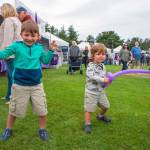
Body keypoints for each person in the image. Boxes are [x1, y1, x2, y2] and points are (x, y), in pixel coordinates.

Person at [0, 20, 56, 141]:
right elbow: (3, 54)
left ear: (38, 36)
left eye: (33, 35)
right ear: (21, 34)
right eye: (26, 35)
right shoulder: (16, 46)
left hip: (37, 86)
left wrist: (51, 51)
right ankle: (8, 129)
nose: (30, 38)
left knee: (42, 110)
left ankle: (42, 130)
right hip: (19, 86)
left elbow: (45, 61)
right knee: (14, 110)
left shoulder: (39, 48)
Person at [84, 43, 111, 134]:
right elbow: (91, 76)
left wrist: (107, 80)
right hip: (91, 92)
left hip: (100, 91)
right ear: (93, 55)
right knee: (89, 109)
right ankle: (87, 124)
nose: (101, 56)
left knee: (106, 106)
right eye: (98, 54)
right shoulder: (90, 65)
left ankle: (100, 116)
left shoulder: (103, 66)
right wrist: (103, 79)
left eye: (103, 54)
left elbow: (103, 77)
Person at [0, 3, 22, 104]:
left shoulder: (9, 20)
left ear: (6, 10)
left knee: (13, 76)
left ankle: (14, 98)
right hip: (16, 52)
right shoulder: (16, 20)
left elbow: (7, 39)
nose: (1, 12)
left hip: (10, 53)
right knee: (10, 75)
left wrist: (4, 53)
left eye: (1, 10)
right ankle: (9, 95)